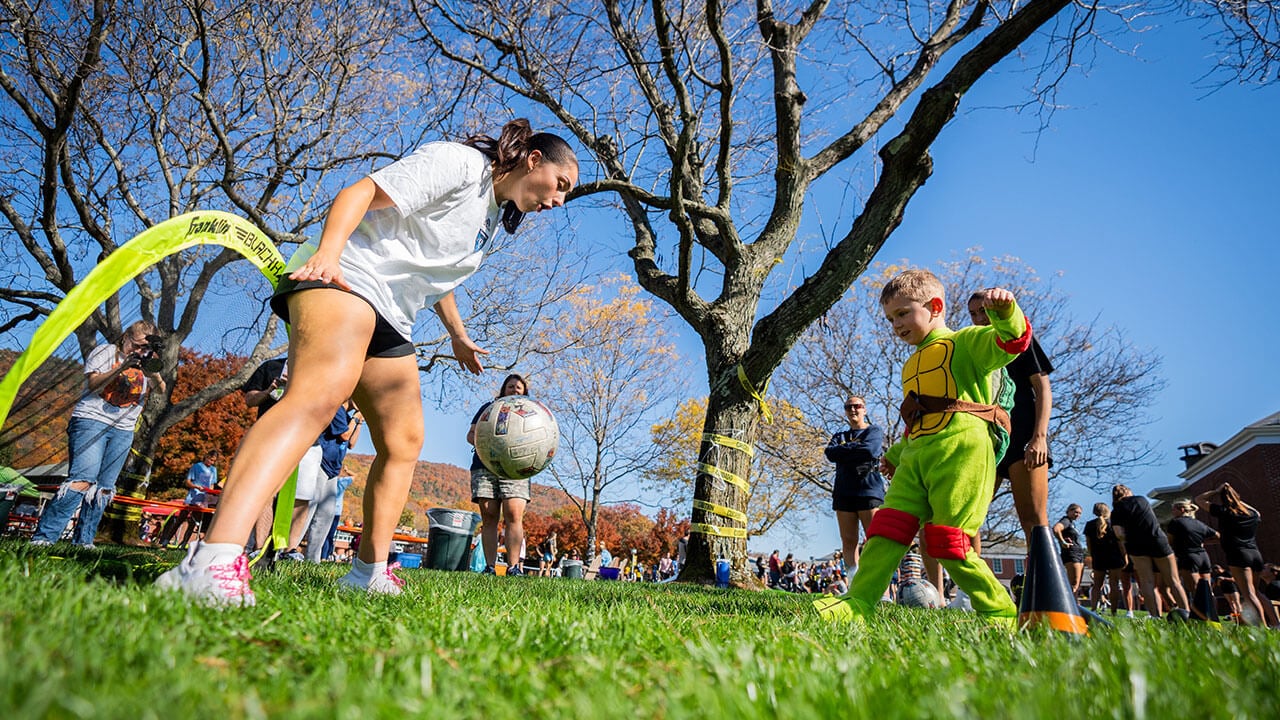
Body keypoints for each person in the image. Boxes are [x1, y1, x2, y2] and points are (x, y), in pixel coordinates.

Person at [156, 119, 578, 606]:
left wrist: (458, 336)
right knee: (315, 400)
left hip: (392, 314)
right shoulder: (461, 165)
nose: (558, 201)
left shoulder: (487, 217)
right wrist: (329, 256)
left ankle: (369, 570)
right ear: (533, 160)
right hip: (346, 278)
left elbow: (433, 276)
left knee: (404, 440)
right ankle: (210, 560)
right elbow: (360, 192)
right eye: (560, 185)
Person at [817, 271, 1025, 627]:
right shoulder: (910, 363)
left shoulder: (966, 342)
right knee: (885, 529)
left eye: (903, 313)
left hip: (961, 453)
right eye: (890, 318)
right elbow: (919, 419)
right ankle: (859, 602)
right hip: (916, 458)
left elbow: (1011, 343)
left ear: (935, 307)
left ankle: (999, 610)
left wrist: (1007, 312)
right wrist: (896, 454)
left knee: (949, 540)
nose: (896, 324)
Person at [31, 321, 167, 548]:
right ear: (125, 337)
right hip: (91, 420)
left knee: (104, 487)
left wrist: (153, 371)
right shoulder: (105, 352)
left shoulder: (146, 362)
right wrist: (122, 368)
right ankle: (44, 537)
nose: (138, 351)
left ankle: (84, 541)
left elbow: (161, 390)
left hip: (123, 429)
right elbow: (93, 383)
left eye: (144, 347)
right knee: (83, 479)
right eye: (135, 345)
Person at [966, 293, 1053, 542]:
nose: (979, 318)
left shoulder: (1019, 336)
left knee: (1033, 519)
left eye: (983, 310)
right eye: (972, 314)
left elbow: (1043, 388)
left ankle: (1041, 580)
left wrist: (1039, 438)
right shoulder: (973, 346)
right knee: (969, 518)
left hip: (1023, 437)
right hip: (989, 442)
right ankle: (973, 580)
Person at [467, 373, 535, 576]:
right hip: (485, 467)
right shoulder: (489, 409)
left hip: (516, 468)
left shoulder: (532, 413)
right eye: (510, 387)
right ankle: (489, 567)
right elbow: (471, 434)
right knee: (489, 516)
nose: (514, 390)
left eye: (518, 388)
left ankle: (514, 567)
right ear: (503, 390)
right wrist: (488, 447)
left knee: (513, 514)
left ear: (524, 392)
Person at [1110, 484, 1190, 619]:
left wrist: (1128, 538)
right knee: (1173, 581)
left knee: (1147, 581)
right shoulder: (1141, 500)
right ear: (1128, 491)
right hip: (1157, 540)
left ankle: (1155, 615)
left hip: (1136, 545)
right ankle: (1187, 613)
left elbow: (1119, 533)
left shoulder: (1116, 510)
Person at [825, 395, 885, 571]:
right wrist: (854, 450)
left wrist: (844, 452)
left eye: (857, 406)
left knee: (875, 540)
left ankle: (882, 591)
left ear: (864, 410)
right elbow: (830, 453)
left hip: (869, 491)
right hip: (843, 492)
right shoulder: (839, 435)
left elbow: (870, 450)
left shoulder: (873, 432)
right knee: (849, 541)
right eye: (848, 407)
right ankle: (853, 584)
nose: (852, 410)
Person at [1197, 482, 1267, 626]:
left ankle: (1263, 627)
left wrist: (1216, 491)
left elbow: (1199, 500)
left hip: (1238, 555)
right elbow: (1257, 512)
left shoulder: (1224, 511)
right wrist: (1236, 498)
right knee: (1256, 593)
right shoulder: (1251, 514)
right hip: (1255, 555)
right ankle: (1273, 623)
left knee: (1248, 594)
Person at [302, 400, 362, 562]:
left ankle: (313, 558)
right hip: (322, 464)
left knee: (326, 515)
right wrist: (356, 418)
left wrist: (360, 421)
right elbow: (344, 434)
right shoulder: (337, 410)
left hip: (333, 471)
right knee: (309, 510)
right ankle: (289, 550)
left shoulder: (349, 416)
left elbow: (351, 443)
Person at [1164, 498, 1219, 610]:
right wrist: (1203, 542)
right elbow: (1218, 536)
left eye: (1174, 510)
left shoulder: (1175, 522)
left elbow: (1169, 542)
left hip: (1188, 557)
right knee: (1208, 590)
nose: (1172, 512)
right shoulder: (1198, 523)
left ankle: (1200, 619)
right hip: (1203, 556)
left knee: (1195, 591)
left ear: (1182, 509)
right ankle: (1213, 618)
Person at [160, 451, 221, 548]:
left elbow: (212, 484)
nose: (211, 462)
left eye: (214, 461)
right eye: (210, 459)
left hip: (203, 498)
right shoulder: (196, 466)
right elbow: (188, 482)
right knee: (181, 518)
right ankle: (166, 540)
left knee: (194, 522)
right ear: (206, 457)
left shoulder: (213, 470)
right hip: (192, 496)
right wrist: (196, 487)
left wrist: (209, 494)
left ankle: (184, 543)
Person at [1084, 502, 1128, 614]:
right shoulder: (1113, 524)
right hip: (1115, 557)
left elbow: (1088, 544)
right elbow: (1120, 544)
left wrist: (1092, 556)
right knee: (1114, 584)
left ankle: (1093, 609)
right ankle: (1113, 611)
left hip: (1098, 557)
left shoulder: (1089, 525)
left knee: (1097, 585)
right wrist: (1125, 557)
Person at [1052, 503, 1086, 596]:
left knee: (1077, 585)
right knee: (1073, 584)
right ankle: (1069, 607)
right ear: (1069, 511)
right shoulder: (1065, 521)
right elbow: (1056, 529)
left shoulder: (1072, 523)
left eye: (1079, 513)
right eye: (1075, 512)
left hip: (1079, 554)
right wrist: (1062, 541)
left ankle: (1075, 607)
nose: (1078, 515)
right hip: (1071, 554)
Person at [1256, 563, 1280, 627]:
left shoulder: (1274, 586)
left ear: (1274, 573)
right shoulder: (1272, 585)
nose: (1261, 570)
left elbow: (1274, 604)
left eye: (1264, 568)